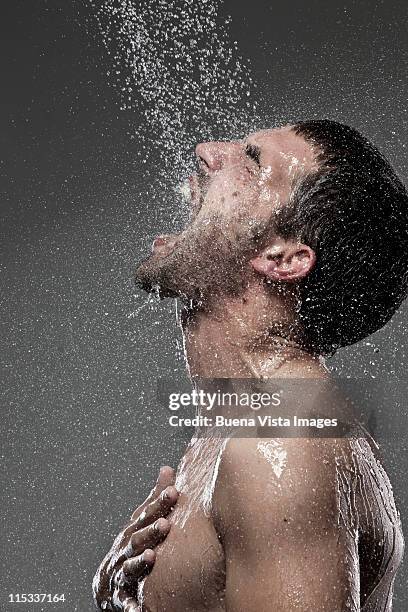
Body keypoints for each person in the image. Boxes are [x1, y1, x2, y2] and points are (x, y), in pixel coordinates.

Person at [93, 120, 406, 611]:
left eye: (253, 161)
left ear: (283, 258)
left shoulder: (281, 449)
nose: (207, 151)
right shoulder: (247, 427)